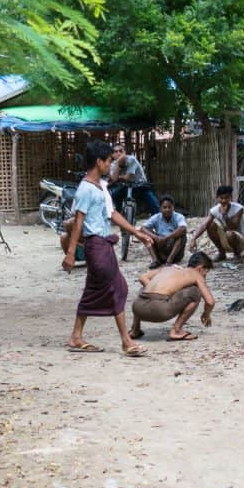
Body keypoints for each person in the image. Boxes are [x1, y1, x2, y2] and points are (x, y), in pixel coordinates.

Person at [63, 139, 153, 356]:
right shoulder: (85, 189)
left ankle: (76, 336)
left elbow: (112, 214)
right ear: (98, 162)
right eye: (108, 162)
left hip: (104, 244)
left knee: (93, 290)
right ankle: (126, 341)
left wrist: (137, 233)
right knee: (117, 287)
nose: (110, 166)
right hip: (96, 245)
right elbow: (78, 223)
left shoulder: (102, 186)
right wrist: (71, 253)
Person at [130, 251, 215, 342]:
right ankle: (176, 331)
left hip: (137, 308)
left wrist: (157, 291)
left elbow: (143, 277)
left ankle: (135, 329)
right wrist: (206, 314)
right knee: (195, 291)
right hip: (158, 311)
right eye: (206, 273)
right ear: (200, 268)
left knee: (144, 289)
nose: (205, 276)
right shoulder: (195, 274)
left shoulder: (169, 268)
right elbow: (210, 302)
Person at [188, 185, 244, 261]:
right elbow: (205, 224)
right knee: (210, 225)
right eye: (221, 198)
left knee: (229, 233)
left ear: (231, 197)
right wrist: (194, 238)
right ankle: (222, 253)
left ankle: (237, 254)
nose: (224, 200)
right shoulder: (215, 210)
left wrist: (225, 215)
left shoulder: (239, 208)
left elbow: (233, 227)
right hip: (226, 238)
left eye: (226, 198)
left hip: (240, 241)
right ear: (217, 197)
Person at [109, 143, 160, 216]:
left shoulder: (131, 159)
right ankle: (117, 215)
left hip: (140, 185)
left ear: (125, 152)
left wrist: (118, 177)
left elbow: (127, 178)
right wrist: (117, 164)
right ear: (112, 155)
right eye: (116, 152)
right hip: (126, 186)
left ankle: (159, 216)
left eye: (121, 151)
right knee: (114, 195)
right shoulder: (113, 164)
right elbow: (114, 179)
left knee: (151, 199)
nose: (119, 153)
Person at [140, 195, 188, 267]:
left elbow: (183, 228)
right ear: (160, 208)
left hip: (175, 254)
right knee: (146, 235)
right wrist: (156, 237)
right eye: (164, 207)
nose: (167, 210)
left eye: (169, 207)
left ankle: (169, 260)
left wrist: (166, 238)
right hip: (160, 250)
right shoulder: (156, 217)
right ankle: (155, 260)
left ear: (173, 208)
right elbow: (143, 228)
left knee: (182, 235)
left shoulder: (179, 216)